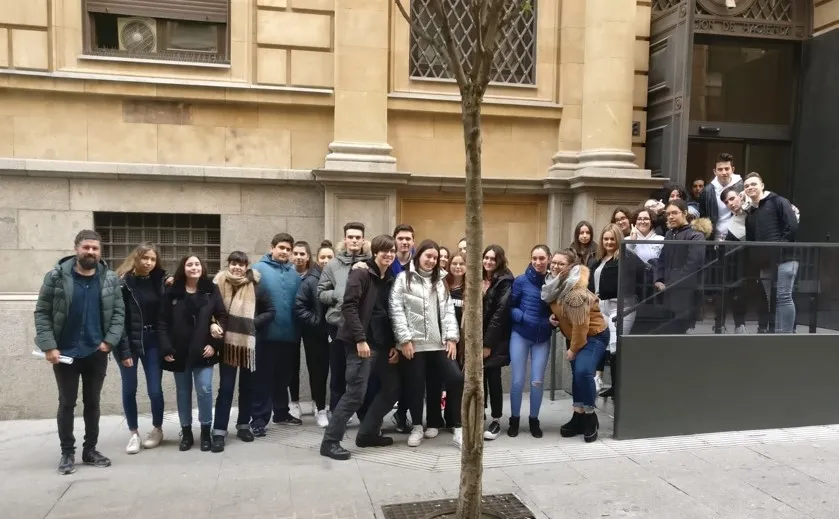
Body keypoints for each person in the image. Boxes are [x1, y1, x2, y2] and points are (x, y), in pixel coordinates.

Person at [35, 230, 125, 475]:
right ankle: (67, 452)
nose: (90, 252)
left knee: (92, 403)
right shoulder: (56, 277)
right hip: (65, 353)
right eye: (86, 247)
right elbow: (42, 312)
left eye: (95, 249)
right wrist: (49, 345)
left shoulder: (109, 279)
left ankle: (90, 450)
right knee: (66, 403)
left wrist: (109, 342)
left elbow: (118, 313)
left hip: (96, 351)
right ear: (76, 248)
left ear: (100, 252)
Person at [320, 235, 401, 461]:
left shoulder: (389, 277)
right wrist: (360, 339)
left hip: (383, 345)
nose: (389, 254)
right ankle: (330, 442)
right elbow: (349, 306)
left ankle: (366, 434)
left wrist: (394, 343)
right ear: (375, 252)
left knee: (393, 388)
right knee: (355, 394)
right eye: (384, 250)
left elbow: (389, 313)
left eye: (391, 250)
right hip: (361, 343)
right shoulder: (362, 272)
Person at [389, 239, 463, 448]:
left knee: (455, 378)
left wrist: (451, 338)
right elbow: (396, 309)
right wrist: (404, 340)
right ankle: (417, 427)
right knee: (415, 385)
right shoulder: (404, 278)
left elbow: (448, 311)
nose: (431, 260)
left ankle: (458, 427)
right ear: (418, 255)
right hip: (414, 344)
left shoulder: (441, 281)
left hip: (439, 342)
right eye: (427, 256)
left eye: (434, 257)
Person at [157, 255, 227, 452]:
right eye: (189, 264)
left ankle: (206, 431)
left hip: (204, 351)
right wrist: (165, 347)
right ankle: (186, 432)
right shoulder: (172, 291)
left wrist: (214, 343)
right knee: (183, 392)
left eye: (197, 264)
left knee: (205, 390)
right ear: (183, 268)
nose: (194, 267)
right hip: (178, 352)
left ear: (202, 268)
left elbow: (221, 316)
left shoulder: (210, 289)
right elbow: (162, 322)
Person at [210, 252, 275, 452]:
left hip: (248, 344)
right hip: (227, 344)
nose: (237, 267)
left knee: (248, 387)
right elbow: (209, 309)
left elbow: (270, 311)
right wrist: (213, 323)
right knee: (226, 388)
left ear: (247, 266)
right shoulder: (217, 283)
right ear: (228, 264)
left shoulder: (255, 284)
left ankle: (243, 425)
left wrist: (251, 324)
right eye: (234, 263)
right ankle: (219, 430)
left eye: (241, 264)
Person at [541, 249, 608, 443]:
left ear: (570, 267)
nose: (555, 266)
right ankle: (577, 415)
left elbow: (581, 326)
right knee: (577, 376)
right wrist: (554, 317)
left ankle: (590, 416)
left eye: (560, 264)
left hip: (593, 336)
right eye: (553, 262)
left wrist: (573, 349)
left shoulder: (575, 290)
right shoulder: (555, 284)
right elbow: (559, 310)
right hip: (574, 336)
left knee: (583, 372)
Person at [114, 242, 167, 455]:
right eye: (145, 258)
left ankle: (157, 429)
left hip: (153, 340)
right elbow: (118, 320)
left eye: (153, 259)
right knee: (129, 388)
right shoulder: (123, 283)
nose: (149, 262)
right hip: (129, 343)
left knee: (155, 389)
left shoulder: (159, 280)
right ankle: (133, 433)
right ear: (136, 258)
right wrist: (124, 351)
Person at [318, 223, 371, 420]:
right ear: (345, 239)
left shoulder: (370, 263)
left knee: (360, 373)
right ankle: (338, 414)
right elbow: (320, 292)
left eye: (358, 237)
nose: (354, 240)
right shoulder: (333, 264)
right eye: (351, 237)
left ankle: (364, 414)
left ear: (363, 240)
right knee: (338, 372)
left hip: (362, 327)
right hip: (337, 325)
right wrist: (339, 295)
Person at [251, 233, 303, 436]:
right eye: (281, 247)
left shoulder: (294, 274)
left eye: (288, 249)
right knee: (262, 379)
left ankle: (281, 412)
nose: (285, 252)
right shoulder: (257, 270)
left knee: (284, 378)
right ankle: (258, 419)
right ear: (272, 248)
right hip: (264, 335)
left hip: (289, 335)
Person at [590, 224, 643, 398]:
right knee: (603, 344)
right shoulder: (598, 259)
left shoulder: (627, 257)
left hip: (623, 306)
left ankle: (617, 387)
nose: (609, 242)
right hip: (601, 307)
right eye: (606, 238)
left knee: (615, 346)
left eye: (612, 238)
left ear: (618, 239)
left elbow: (639, 275)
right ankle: (608, 383)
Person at [744, 172, 799, 334]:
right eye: (746, 186)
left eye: (753, 184)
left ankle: (786, 334)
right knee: (771, 299)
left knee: (784, 297)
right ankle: (778, 333)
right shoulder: (750, 215)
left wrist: (778, 247)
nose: (750, 187)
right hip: (765, 263)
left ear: (762, 185)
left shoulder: (779, 201)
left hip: (785, 258)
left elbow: (792, 226)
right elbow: (751, 242)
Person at [508, 245, 553, 438]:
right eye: (534, 258)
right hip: (520, 334)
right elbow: (510, 307)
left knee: (537, 381)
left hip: (542, 338)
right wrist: (524, 318)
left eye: (542, 258)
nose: (538, 262)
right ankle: (514, 419)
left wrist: (554, 321)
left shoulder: (555, 282)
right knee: (517, 381)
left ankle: (534, 420)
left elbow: (558, 310)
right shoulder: (520, 281)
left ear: (549, 259)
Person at [294, 241, 334, 428]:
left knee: (338, 374)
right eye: (323, 257)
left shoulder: (341, 278)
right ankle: (320, 409)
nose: (326, 260)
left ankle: (335, 408)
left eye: (329, 257)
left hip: (337, 334)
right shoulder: (310, 280)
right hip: (315, 336)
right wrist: (316, 321)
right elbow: (299, 306)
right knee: (318, 373)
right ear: (317, 259)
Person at [654, 200, 706, 335]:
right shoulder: (669, 234)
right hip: (668, 292)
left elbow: (692, 265)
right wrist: (658, 279)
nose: (670, 216)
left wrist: (670, 284)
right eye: (668, 214)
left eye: (674, 213)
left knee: (680, 330)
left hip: (686, 293)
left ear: (684, 213)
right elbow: (662, 259)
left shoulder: (696, 235)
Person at [481, 244, 514, 441]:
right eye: (486, 258)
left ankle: (496, 420)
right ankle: (480, 415)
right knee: (479, 379)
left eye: (493, 259)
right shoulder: (478, 277)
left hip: (494, 339)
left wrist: (487, 344)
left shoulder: (505, 281)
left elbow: (499, 315)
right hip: (476, 337)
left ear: (499, 260)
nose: (488, 262)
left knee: (493, 378)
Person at [286, 241, 313, 419]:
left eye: (302, 254)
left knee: (314, 364)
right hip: (291, 324)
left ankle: (316, 402)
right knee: (292, 365)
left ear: (308, 256)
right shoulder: (286, 273)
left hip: (311, 324)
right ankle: (294, 402)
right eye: (295, 253)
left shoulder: (315, 274)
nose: (298, 257)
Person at [699, 152, 743, 241]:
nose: (724, 172)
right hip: (714, 237)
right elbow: (703, 216)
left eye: (727, 169)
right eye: (720, 169)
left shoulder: (742, 187)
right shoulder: (707, 191)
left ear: (733, 169)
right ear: (715, 171)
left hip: (737, 236)